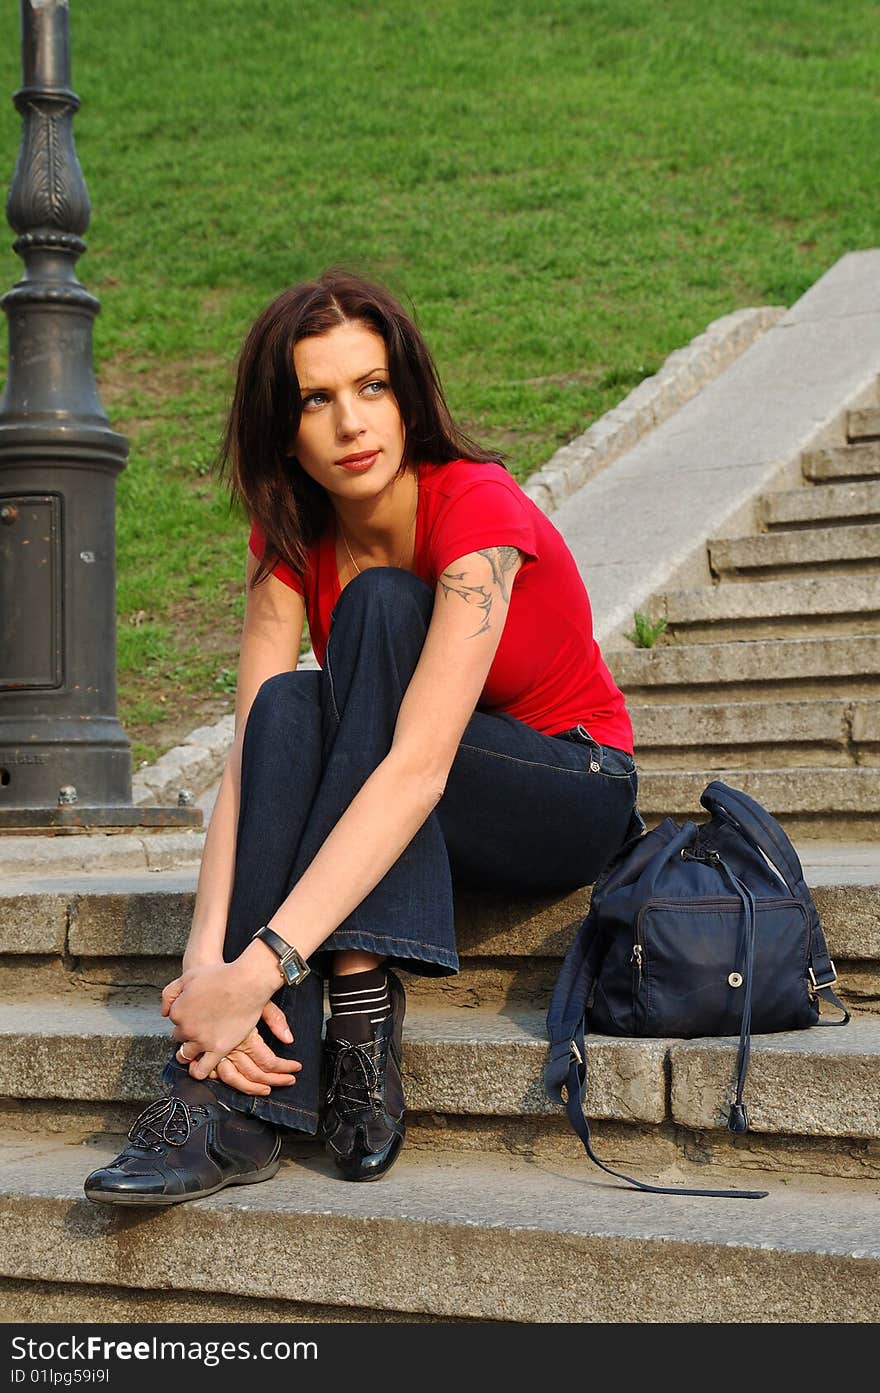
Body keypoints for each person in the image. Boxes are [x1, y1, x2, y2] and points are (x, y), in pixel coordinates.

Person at [83, 269, 643, 1206]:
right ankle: (224, 1107)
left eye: (371, 387)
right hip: (408, 789)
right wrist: (205, 959)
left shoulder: (478, 510)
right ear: (283, 428)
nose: (352, 423)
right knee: (292, 708)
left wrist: (260, 966)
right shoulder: (294, 533)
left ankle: (358, 1010)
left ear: (406, 394)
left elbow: (419, 770)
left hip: (564, 781)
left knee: (383, 606)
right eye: (317, 398)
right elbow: (251, 757)